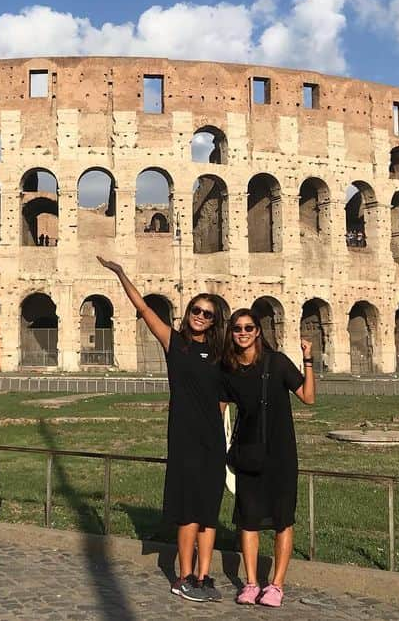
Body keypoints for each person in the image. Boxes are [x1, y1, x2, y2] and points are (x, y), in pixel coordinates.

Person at [98, 255, 228, 603]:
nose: (200, 317)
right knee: (188, 510)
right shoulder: (174, 342)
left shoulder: (219, 353)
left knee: (208, 512)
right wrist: (122, 273)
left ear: (215, 321)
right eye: (195, 311)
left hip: (212, 437)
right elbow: (142, 307)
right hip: (184, 435)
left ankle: (203, 575)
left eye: (207, 313)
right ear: (187, 315)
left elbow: (226, 395)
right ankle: (183, 576)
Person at [222, 308, 315, 608]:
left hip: (282, 454)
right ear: (231, 333)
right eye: (238, 329)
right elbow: (219, 408)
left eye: (249, 328)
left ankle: (276, 585)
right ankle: (251, 582)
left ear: (258, 331)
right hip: (249, 451)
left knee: (282, 520)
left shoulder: (277, 363)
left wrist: (308, 359)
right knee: (247, 521)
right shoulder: (230, 369)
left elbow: (309, 397)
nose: (243, 333)